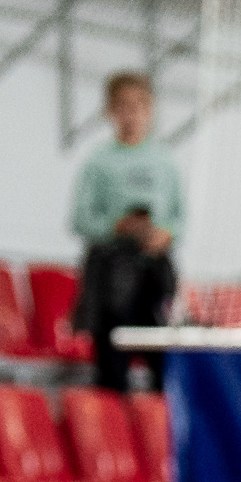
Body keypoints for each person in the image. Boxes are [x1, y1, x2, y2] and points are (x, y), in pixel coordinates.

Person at [70, 70, 182, 391]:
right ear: (110, 111)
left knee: (164, 373)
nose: (131, 114)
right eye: (123, 106)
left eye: (139, 106)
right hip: (111, 277)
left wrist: (165, 234)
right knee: (112, 372)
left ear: (150, 109)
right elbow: (79, 219)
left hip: (154, 275)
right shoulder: (98, 162)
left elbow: (179, 218)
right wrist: (114, 227)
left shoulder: (165, 162)